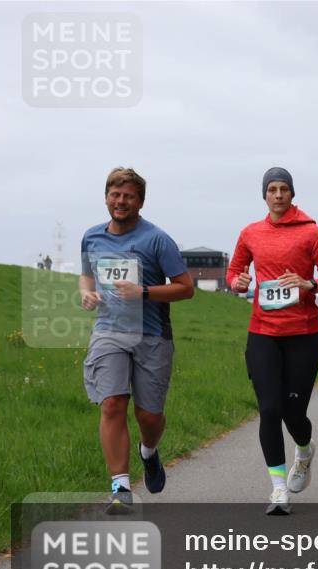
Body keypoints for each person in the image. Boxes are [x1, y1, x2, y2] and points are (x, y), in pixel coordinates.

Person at [79, 167, 195, 513]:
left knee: (149, 416)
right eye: (115, 195)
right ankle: (121, 487)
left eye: (128, 196)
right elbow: (87, 275)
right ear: (106, 197)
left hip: (152, 334)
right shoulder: (91, 237)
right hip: (108, 332)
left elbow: (186, 288)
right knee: (112, 403)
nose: (121, 201)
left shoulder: (157, 239)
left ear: (140, 202)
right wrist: (87, 294)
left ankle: (149, 451)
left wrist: (143, 291)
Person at [227, 167, 318, 515]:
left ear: (292, 194)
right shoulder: (250, 233)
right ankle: (278, 488)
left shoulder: (312, 232)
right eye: (272, 189)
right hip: (263, 333)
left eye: (284, 189)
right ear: (264, 195)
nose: (278, 195)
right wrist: (237, 283)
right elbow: (234, 272)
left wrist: (310, 284)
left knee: (294, 413)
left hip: (302, 334)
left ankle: (304, 450)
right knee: (269, 409)